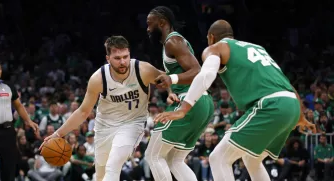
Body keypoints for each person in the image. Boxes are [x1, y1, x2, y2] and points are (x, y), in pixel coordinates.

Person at [154, 20, 316, 181]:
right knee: (252, 159)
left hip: (270, 105)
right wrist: (300, 116)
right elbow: (285, 83)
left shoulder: (216, 48)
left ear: (211, 37)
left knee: (218, 158)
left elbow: (206, 75)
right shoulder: (258, 48)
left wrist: (184, 108)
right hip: (291, 104)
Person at [41, 35, 163, 181]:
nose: (123, 62)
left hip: (133, 123)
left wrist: (171, 93)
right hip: (105, 126)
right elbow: (83, 111)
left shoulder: (143, 69)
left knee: (113, 164)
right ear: (108, 58)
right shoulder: (98, 78)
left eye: (126, 57)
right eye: (117, 58)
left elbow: (167, 79)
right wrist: (57, 134)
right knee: (101, 175)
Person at [145, 6, 214, 181]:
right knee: (174, 161)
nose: (147, 29)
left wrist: (173, 79)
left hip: (191, 103)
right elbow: (173, 75)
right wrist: (170, 89)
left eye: (149, 24)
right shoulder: (172, 43)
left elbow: (198, 71)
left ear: (161, 22)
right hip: (201, 103)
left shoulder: (173, 41)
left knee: (153, 156)